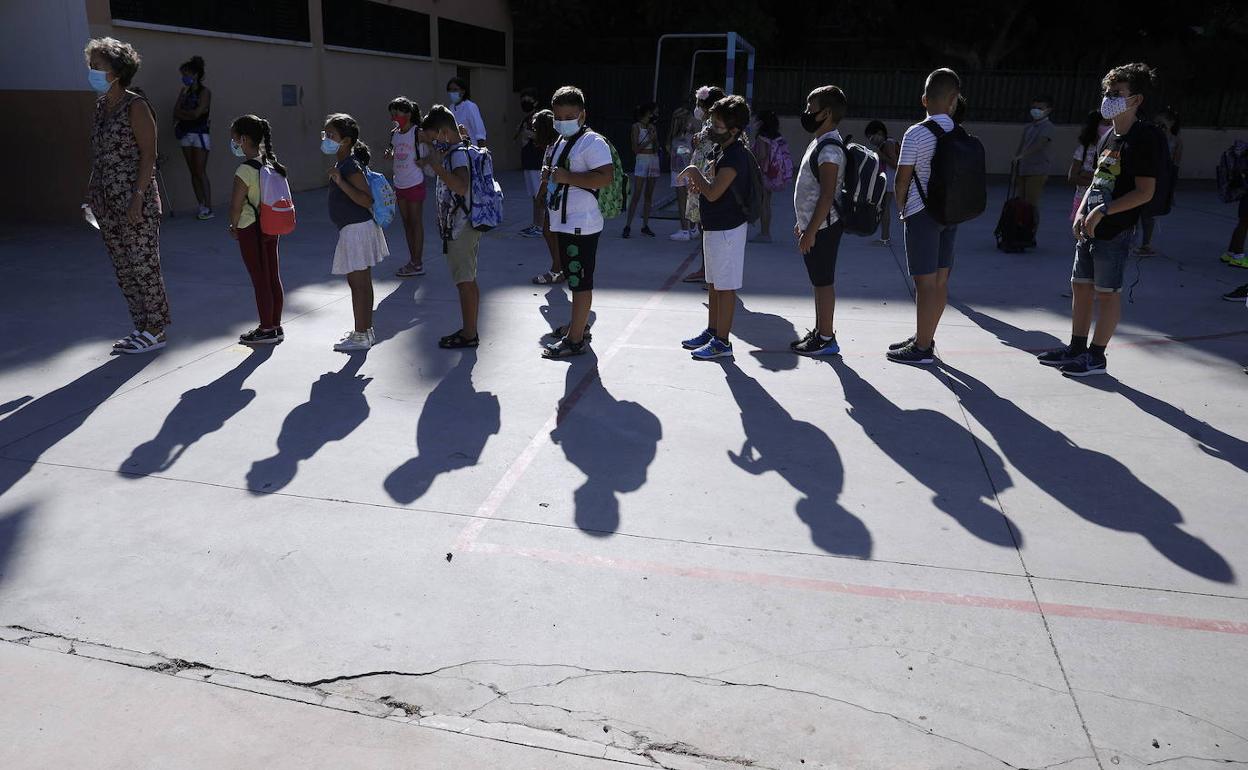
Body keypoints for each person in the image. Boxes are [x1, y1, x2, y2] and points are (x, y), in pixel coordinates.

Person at [1037, 63, 1162, 377]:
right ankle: (1076, 347)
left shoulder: (1145, 136)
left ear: (1136, 100)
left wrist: (1103, 212)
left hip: (1115, 230)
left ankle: (1096, 356)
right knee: (1080, 287)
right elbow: (1097, 180)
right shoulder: (1108, 136)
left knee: (1107, 293)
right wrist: (1082, 211)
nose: (1110, 97)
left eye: (1118, 93)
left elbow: (1145, 192)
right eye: (1108, 92)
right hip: (1091, 227)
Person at [84, 37, 171, 354]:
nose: (92, 71)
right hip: (107, 201)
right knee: (123, 267)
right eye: (90, 66)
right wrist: (92, 195)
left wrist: (137, 196)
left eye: (98, 67)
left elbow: (149, 155)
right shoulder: (100, 107)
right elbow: (101, 155)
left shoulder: (136, 105)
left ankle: (156, 329)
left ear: (117, 71)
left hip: (136, 201)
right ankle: (141, 327)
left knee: (143, 265)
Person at [887, 68, 963, 366]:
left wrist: (902, 208)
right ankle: (925, 337)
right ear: (954, 100)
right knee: (941, 281)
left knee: (924, 283)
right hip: (951, 214)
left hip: (922, 214)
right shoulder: (959, 132)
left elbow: (902, 179)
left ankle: (921, 348)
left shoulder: (916, 133)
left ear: (924, 100)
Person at [542, 86, 615, 359]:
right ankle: (578, 326)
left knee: (581, 282)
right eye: (558, 117)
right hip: (565, 221)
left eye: (569, 116)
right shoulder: (562, 141)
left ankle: (575, 340)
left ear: (582, 115)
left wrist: (566, 177)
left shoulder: (592, 142)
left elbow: (605, 177)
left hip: (581, 224)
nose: (562, 122)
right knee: (574, 279)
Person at [679, 95, 753, 361]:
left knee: (725, 286)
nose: (711, 128)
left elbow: (713, 193)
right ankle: (713, 331)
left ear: (734, 129)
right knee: (713, 283)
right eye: (711, 122)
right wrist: (700, 180)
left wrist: (692, 172)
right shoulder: (723, 150)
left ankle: (723, 342)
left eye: (717, 125)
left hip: (728, 228)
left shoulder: (735, 156)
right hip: (715, 225)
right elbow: (711, 187)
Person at [789, 86, 848, 356]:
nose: (806, 113)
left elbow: (826, 196)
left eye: (810, 108)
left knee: (823, 282)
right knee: (818, 281)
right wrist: (803, 224)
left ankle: (826, 337)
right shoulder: (821, 141)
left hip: (824, 228)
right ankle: (820, 331)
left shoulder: (830, 150)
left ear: (826, 112)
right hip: (814, 226)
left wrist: (811, 231)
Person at [322, 113, 387, 352]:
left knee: (359, 284)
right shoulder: (344, 163)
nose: (326, 139)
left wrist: (340, 182)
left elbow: (365, 198)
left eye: (331, 135)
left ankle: (361, 335)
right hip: (354, 229)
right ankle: (365, 330)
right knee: (360, 283)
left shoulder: (349, 165)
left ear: (346, 140)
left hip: (357, 230)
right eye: (325, 134)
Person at [422, 105, 482, 349]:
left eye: (435, 137)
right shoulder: (460, 148)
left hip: (461, 226)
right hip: (462, 224)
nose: (434, 143)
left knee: (464, 280)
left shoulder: (458, 154)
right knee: (467, 278)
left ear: (445, 132)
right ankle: (470, 330)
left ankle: (469, 334)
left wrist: (436, 166)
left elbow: (461, 186)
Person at [227, 114, 287, 344]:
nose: (233, 144)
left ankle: (266, 328)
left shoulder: (244, 170)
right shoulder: (270, 164)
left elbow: (236, 205)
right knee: (272, 276)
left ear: (243, 139)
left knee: (259, 278)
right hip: (271, 226)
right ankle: (275, 325)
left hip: (250, 228)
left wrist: (233, 225)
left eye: (234, 139)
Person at [683, 85, 727, 283]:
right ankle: (707, 269)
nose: (697, 108)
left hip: (706, 179)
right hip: (701, 177)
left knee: (707, 226)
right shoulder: (710, 123)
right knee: (704, 226)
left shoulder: (715, 124)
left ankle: (710, 271)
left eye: (699, 104)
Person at [384, 96, 427, 278]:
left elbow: (436, 149)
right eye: (392, 113)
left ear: (408, 113)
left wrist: (424, 160)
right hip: (399, 183)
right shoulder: (394, 133)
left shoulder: (418, 132)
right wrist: (390, 154)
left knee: (415, 223)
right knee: (407, 223)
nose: (395, 116)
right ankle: (413, 260)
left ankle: (418, 263)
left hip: (415, 182)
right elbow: (394, 151)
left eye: (398, 112)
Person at [173, 55, 213, 220]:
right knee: (192, 172)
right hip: (185, 134)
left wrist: (185, 115)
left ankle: (209, 207)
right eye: (183, 75)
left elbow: (198, 113)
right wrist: (186, 114)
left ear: (195, 74)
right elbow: (175, 112)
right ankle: (201, 205)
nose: (184, 78)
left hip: (200, 134)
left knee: (200, 171)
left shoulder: (205, 92)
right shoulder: (184, 92)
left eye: (187, 74)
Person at [1138, 106, 1182, 256]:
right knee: (1137, 210)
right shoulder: (1151, 137)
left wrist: (1171, 189)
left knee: (1149, 213)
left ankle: (1146, 244)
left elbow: (1175, 166)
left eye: (1162, 124)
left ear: (1171, 124)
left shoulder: (1175, 141)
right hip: (1147, 175)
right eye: (1157, 123)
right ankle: (1131, 241)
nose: (1159, 127)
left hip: (1161, 179)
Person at [530, 110, 565, 285]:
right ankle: (559, 268)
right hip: (555, 196)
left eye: (536, 129)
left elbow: (548, 176)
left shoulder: (554, 147)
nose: (533, 132)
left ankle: (557, 270)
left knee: (549, 232)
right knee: (550, 232)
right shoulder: (554, 145)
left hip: (556, 197)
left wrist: (540, 195)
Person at [1013, 94, 1055, 241]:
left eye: (1040, 108)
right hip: (1024, 168)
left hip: (1038, 169)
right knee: (1021, 202)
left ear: (1048, 110)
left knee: (1031, 203)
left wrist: (1022, 155)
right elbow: (1022, 145)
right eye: (1034, 108)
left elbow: (1040, 144)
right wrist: (1016, 159)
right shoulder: (1029, 127)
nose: (1036, 111)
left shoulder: (1048, 127)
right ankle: (1020, 230)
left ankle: (1030, 233)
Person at [751, 110, 791, 244]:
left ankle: (764, 233)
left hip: (764, 173)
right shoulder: (778, 137)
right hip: (774, 174)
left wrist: (751, 159)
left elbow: (761, 155)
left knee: (764, 202)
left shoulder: (762, 137)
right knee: (767, 203)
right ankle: (766, 231)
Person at [1068, 110, 1113, 224]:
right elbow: (1072, 177)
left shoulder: (1113, 153)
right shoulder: (1084, 149)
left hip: (1104, 203)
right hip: (1081, 200)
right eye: (1106, 124)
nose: (1110, 127)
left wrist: (1086, 175)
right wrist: (1097, 178)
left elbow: (1112, 179)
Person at [623, 101, 660, 238]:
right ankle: (628, 225)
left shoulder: (652, 126)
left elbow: (656, 147)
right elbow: (636, 149)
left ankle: (645, 225)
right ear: (647, 113)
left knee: (648, 195)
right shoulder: (636, 127)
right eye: (652, 112)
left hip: (653, 160)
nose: (654, 115)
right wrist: (650, 139)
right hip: (642, 160)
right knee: (637, 194)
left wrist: (655, 139)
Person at [864, 119, 900, 245]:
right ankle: (885, 237)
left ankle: (885, 238)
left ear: (879, 133)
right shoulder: (887, 143)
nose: (870, 141)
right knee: (884, 208)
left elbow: (896, 164)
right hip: (889, 180)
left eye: (871, 137)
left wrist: (881, 155)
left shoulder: (888, 143)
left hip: (890, 181)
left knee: (884, 209)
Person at [515, 89, 544, 237]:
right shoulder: (527, 118)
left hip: (536, 162)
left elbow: (544, 137)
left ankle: (540, 226)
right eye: (523, 99)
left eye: (528, 99)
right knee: (534, 195)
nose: (524, 102)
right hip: (528, 161)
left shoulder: (539, 118)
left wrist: (530, 135)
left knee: (539, 195)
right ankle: (536, 224)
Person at [668, 107, 697, 241]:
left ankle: (685, 230)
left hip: (679, 171)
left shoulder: (679, 136)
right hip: (689, 169)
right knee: (690, 200)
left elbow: (680, 153)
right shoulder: (691, 135)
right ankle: (692, 228)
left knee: (682, 200)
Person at [446, 77, 486, 148]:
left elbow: (480, 133)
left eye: (455, 90)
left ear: (462, 92)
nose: (452, 92)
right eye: (450, 90)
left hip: (472, 150)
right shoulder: (451, 108)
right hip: (457, 150)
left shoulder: (470, 106)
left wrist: (481, 153)